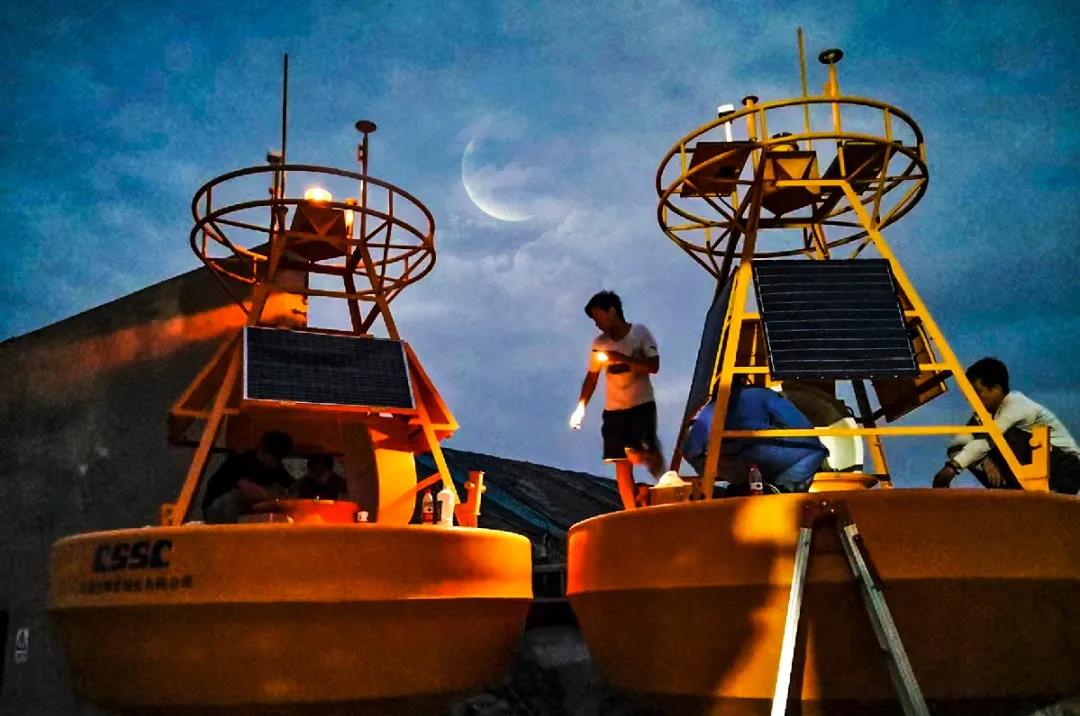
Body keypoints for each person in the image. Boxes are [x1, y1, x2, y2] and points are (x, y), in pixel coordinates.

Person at [570, 290, 664, 509]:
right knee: (620, 462)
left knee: (643, 453)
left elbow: (653, 366)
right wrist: (581, 406)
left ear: (612, 311)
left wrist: (621, 358)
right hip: (614, 410)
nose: (597, 324)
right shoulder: (599, 343)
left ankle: (663, 479)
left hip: (640, 405)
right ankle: (631, 511)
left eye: (598, 318)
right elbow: (592, 377)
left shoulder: (639, 334)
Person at [933, 357, 1080, 494]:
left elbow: (990, 439)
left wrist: (953, 467)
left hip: (1066, 469)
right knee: (970, 447)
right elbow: (957, 445)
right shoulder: (984, 417)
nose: (969, 398)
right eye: (968, 393)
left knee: (999, 437)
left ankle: (1046, 492)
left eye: (977, 392)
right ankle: (1011, 495)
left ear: (996, 389)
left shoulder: (1016, 404)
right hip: (1033, 470)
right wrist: (984, 461)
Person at [681, 379, 827, 493]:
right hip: (763, 455)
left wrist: (712, 471)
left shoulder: (711, 409)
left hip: (732, 468)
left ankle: (744, 487)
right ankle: (782, 487)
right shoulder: (762, 394)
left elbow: (689, 451)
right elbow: (802, 425)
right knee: (815, 450)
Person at [201, 431, 295, 523]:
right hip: (218, 513)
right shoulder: (239, 462)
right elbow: (248, 489)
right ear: (262, 451)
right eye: (272, 458)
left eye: (278, 459)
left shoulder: (276, 468)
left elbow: (291, 485)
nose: (274, 463)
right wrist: (264, 493)